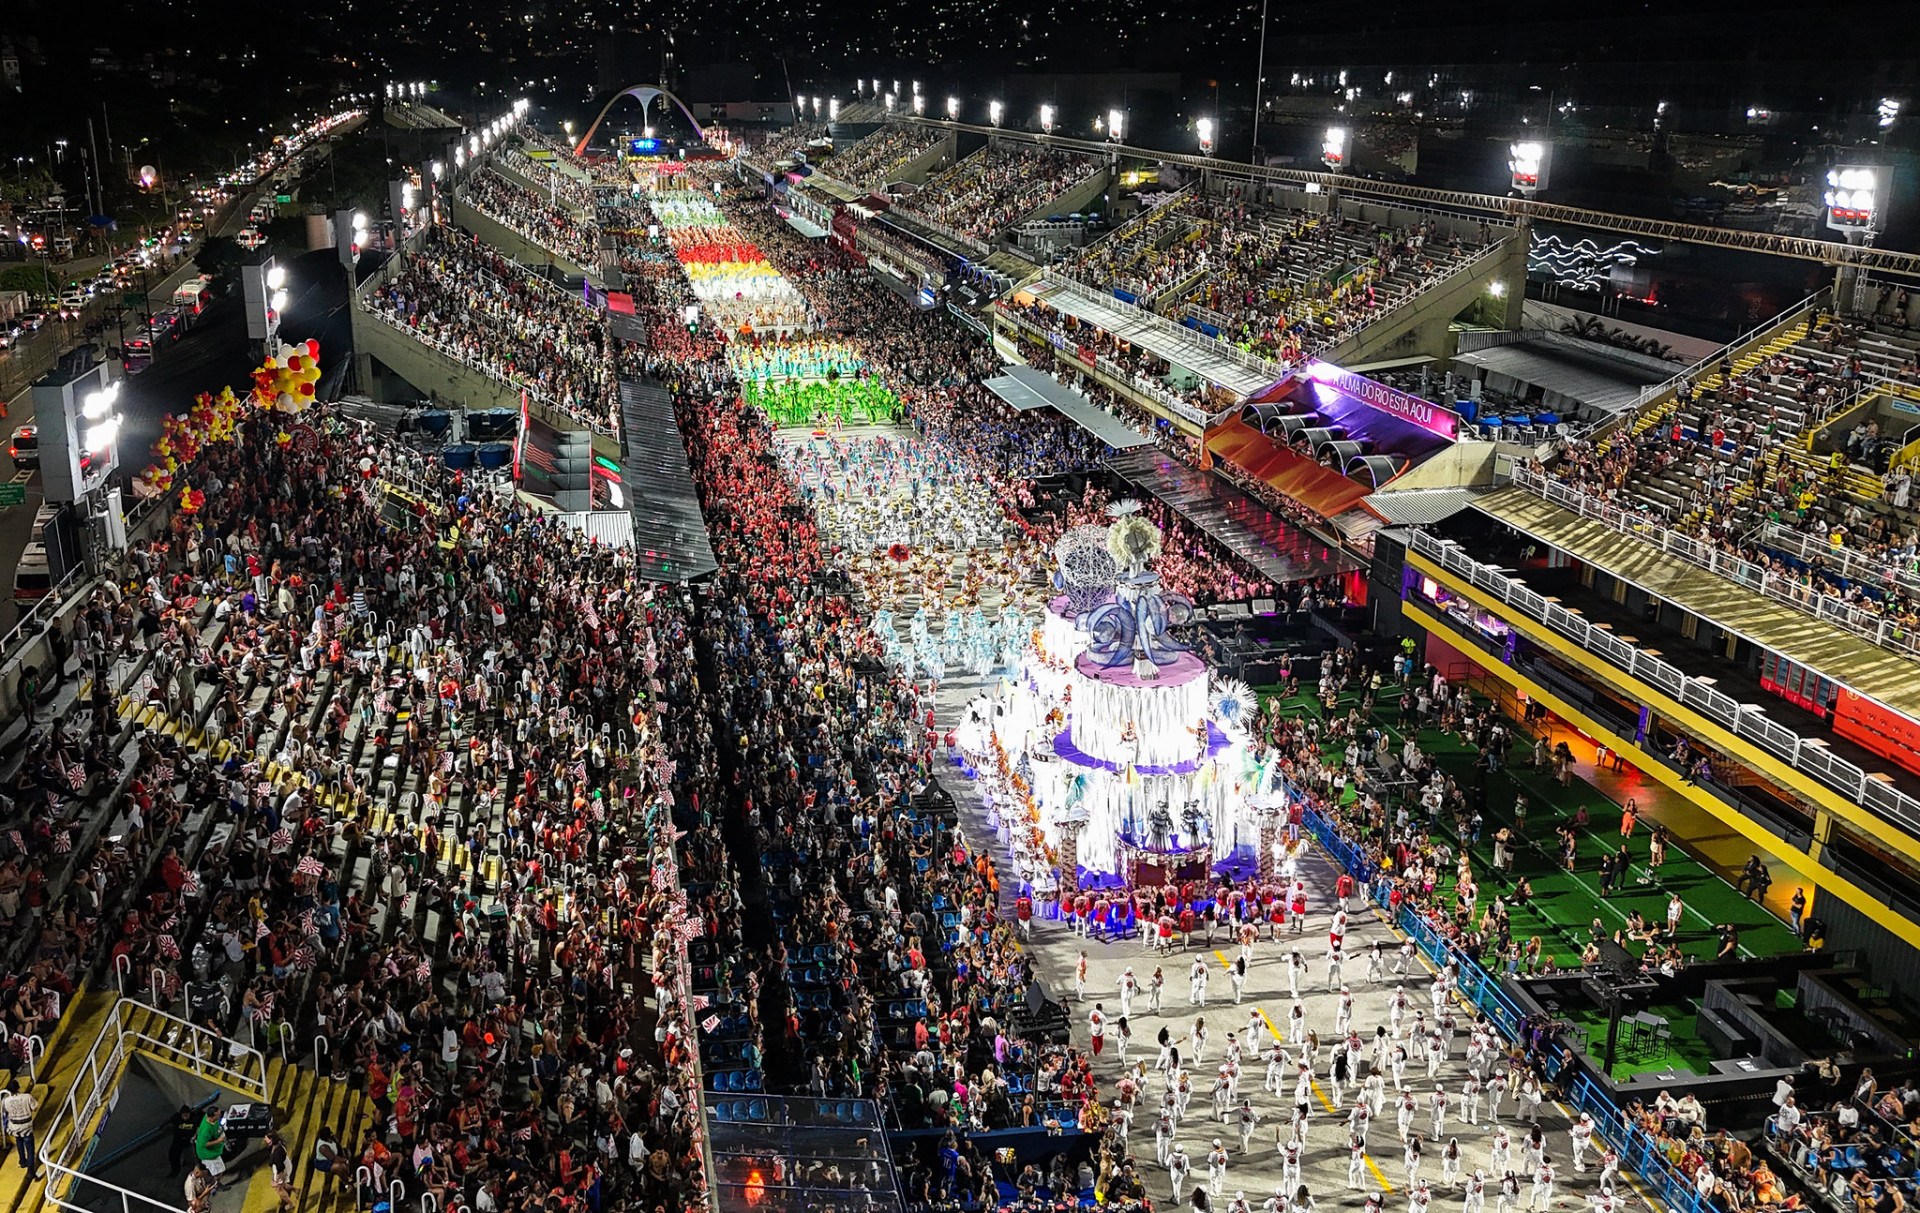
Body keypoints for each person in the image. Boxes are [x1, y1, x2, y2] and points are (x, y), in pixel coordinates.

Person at [1, 1082, 39, 1181]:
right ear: (18, 1087)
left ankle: (22, 1161)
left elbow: (4, 1113)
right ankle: (30, 1171)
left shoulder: (5, 1101)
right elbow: (34, 1107)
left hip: (15, 1126)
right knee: (30, 1149)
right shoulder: (27, 1097)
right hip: (26, 1126)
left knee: (19, 1141)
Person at [193, 1107, 227, 1182]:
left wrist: (223, 1124)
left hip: (215, 1149)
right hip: (207, 1154)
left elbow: (220, 1122)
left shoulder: (209, 1117)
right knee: (218, 1172)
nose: (220, 1115)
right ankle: (216, 1185)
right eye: (218, 1114)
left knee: (218, 1169)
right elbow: (203, 1144)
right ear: (212, 1117)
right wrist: (218, 1141)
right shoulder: (206, 1130)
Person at [168, 1103, 200, 1177]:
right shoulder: (176, 1118)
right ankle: (175, 1170)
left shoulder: (195, 1118)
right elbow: (170, 1122)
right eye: (183, 1115)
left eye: (187, 1115)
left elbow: (198, 1127)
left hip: (190, 1140)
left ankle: (196, 1171)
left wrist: (195, 1136)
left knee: (194, 1157)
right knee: (173, 1155)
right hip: (178, 1140)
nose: (185, 1117)